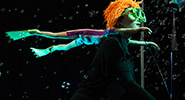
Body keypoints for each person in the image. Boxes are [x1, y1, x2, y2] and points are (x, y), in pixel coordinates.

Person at [63, 0, 182, 100]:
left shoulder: (120, 44)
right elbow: (129, 85)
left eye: (141, 14)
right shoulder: (112, 44)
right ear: (118, 21)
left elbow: (129, 93)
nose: (139, 18)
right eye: (133, 13)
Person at [6, 26, 159, 58]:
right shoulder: (112, 31)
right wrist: (141, 29)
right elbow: (124, 31)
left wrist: (148, 44)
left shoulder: (120, 39)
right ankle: (36, 32)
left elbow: (131, 42)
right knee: (57, 35)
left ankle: (47, 50)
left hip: (85, 41)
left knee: (65, 48)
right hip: (85, 34)